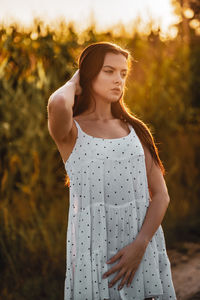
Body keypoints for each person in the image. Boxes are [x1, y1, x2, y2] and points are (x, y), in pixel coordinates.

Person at [47, 41, 177, 300]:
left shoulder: (135, 130)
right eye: (108, 71)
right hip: (93, 255)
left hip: (141, 249)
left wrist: (140, 246)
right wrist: (77, 79)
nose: (118, 80)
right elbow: (58, 102)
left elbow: (161, 195)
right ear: (88, 74)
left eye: (123, 73)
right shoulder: (72, 132)